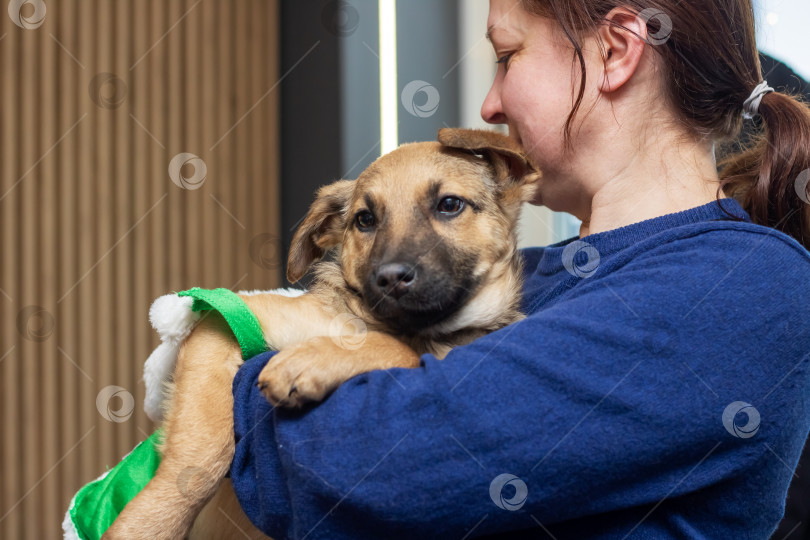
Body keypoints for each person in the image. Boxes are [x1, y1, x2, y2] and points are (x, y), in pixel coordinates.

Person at [229, 0, 810, 538]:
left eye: (507, 57)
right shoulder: (519, 277)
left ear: (615, 50)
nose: (490, 104)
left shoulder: (742, 286)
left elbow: (387, 467)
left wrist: (228, 394)